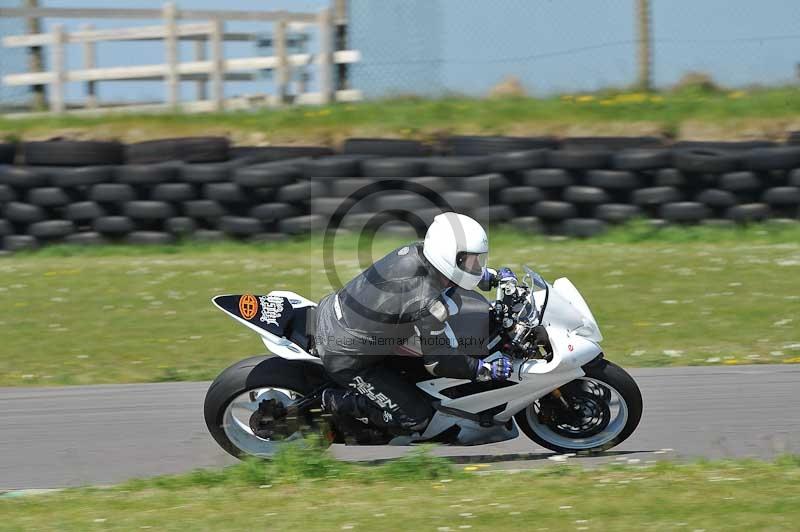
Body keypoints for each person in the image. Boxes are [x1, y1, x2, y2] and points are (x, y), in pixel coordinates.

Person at [315, 212, 516, 437]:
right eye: (470, 260)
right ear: (449, 256)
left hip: (343, 316)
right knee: (417, 418)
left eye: (477, 260)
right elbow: (439, 361)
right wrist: (484, 369)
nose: (476, 265)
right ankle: (330, 401)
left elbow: (453, 272)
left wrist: (491, 277)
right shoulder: (424, 300)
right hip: (348, 357)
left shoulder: (421, 252)